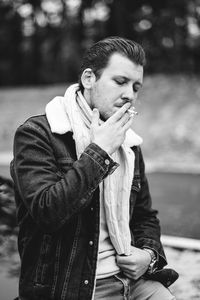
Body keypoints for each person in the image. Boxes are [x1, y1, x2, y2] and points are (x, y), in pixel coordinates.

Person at [11, 36, 178, 300]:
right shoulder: (37, 134)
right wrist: (99, 151)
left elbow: (145, 215)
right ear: (89, 78)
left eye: (136, 87)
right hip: (76, 287)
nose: (129, 95)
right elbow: (47, 213)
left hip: (133, 281)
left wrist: (148, 255)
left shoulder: (129, 143)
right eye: (120, 82)